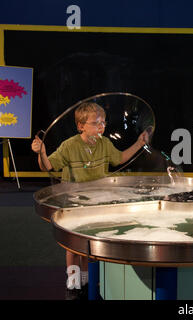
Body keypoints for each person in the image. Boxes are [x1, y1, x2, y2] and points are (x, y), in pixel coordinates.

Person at [31, 102, 149, 300]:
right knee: (73, 244)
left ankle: (86, 281)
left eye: (103, 122)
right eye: (95, 123)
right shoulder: (70, 145)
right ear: (81, 126)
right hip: (74, 202)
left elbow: (119, 159)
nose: (101, 126)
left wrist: (139, 143)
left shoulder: (104, 144)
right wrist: (41, 152)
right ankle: (73, 282)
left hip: (97, 201)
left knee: (89, 243)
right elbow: (48, 166)